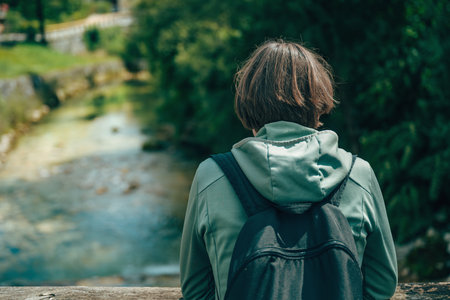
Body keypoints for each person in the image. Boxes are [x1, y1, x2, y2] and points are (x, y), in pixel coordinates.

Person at [180, 40, 398, 300]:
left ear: (249, 102)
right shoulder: (358, 174)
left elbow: (195, 289)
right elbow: (382, 283)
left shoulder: (212, 175)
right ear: (318, 100)